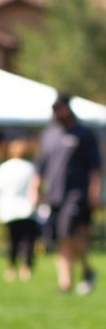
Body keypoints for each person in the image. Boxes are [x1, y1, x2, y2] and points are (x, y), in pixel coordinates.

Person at [33, 93, 102, 294]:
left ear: (68, 108)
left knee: (68, 231)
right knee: (59, 237)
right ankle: (69, 281)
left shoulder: (84, 134)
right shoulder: (49, 135)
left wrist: (94, 191)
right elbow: (40, 166)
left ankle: (82, 272)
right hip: (54, 193)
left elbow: (95, 167)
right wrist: (35, 190)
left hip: (76, 193)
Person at [0, 136, 39, 280]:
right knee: (27, 240)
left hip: (9, 209)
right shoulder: (31, 167)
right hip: (27, 209)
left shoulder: (4, 167)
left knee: (12, 241)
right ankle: (27, 268)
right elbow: (36, 186)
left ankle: (11, 268)